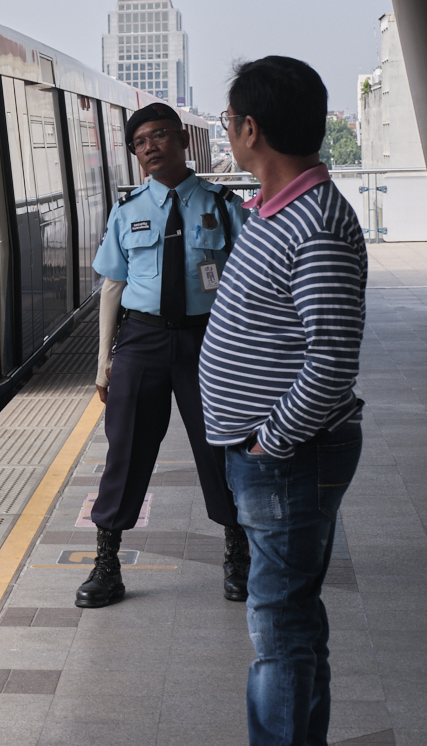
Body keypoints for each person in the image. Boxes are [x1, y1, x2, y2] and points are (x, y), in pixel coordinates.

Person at [200, 57, 367, 746]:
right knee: (294, 620)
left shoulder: (316, 224)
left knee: (276, 626)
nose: (228, 132)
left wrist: (272, 437)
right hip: (273, 456)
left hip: (287, 459)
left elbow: (330, 357)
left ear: (251, 129)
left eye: (229, 120)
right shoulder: (276, 210)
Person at [78, 102, 251, 609]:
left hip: (207, 341)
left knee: (219, 446)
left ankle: (237, 554)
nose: (149, 148)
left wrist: (242, 353)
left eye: (157, 137)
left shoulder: (221, 205)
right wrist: (103, 361)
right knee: (125, 450)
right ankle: (106, 562)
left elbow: (243, 285)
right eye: (139, 143)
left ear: (181, 140)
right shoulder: (127, 212)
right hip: (142, 340)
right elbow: (113, 286)